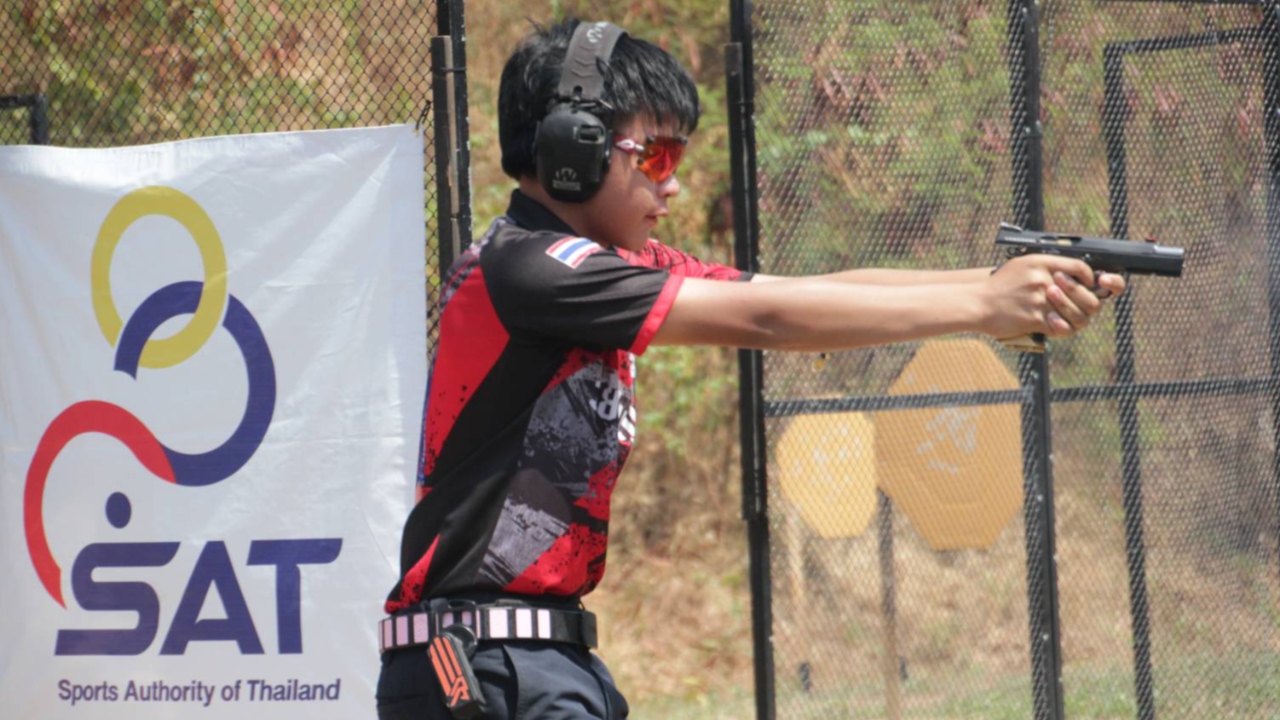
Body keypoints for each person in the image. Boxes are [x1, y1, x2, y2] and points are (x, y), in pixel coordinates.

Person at [375, 17, 1126, 720]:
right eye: (656, 156)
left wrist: (993, 290)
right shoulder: (532, 267)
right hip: (482, 664)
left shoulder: (590, 264)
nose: (672, 184)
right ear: (575, 151)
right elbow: (768, 320)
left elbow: (794, 294)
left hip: (530, 658)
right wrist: (986, 305)